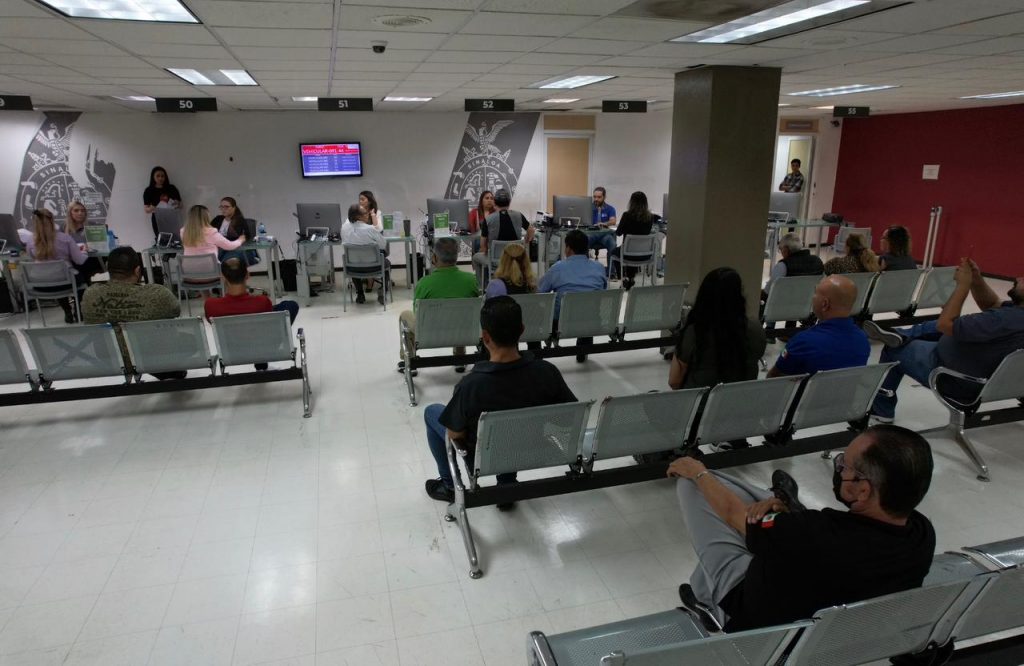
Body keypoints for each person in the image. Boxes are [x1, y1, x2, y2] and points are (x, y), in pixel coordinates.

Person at [668, 424, 935, 632]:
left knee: (696, 487)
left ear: (862, 490)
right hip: (826, 629)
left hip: (752, 616)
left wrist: (697, 470)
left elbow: (732, 514)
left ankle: (711, 603)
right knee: (759, 505)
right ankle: (781, 506)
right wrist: (784, 518)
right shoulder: (921, 535)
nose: (839, 469)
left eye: (843, 465)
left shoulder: (816, 533)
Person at [422, 296, 577, 505]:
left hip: (485, 458)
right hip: (529, 450)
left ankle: (449, 485)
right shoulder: (547, 372)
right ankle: (507, 484)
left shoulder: (471, 385)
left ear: (485, 336)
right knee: (513, 426)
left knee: (432, 411)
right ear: (522, 330)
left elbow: (454, 434)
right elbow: (569, 418)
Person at [865, 258, 1024, 422]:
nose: (1018, 278)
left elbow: (946, 324)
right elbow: (993, 304)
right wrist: (976, 280)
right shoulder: (1013, 316)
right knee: (937, 327)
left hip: (955, 378)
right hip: (984, 371)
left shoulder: (1001, 320)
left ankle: (882, 410)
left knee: (893, 348)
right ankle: (901, 334)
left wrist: (962, 286)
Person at [81, 246, 184, 380]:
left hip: (109, 356)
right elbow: (176, 310)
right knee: (186, 338)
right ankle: (166, 371)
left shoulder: (91, 294)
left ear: (107, 267)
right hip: (150, 356)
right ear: (137, 270)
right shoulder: (158, 294)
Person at [398, 237, 479, 374]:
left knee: (405, 315)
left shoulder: (424, 283)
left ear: (434, 258)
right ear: (456, 257)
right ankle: (460, 357)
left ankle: (410, 359)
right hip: (464, 331)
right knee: (460, 316)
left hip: (430, 334)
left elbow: (418, 314)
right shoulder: (471, 280)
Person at [205, 258, 300, 370]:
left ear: (223, 277)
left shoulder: (211, 305)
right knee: (290, 306)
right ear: (247, 275)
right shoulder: (262, 302)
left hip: (233, 350)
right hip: (262, 347)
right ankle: (261, 363)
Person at [767, 275, 869, 377]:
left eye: (815, 293)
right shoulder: (862, 339)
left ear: (825, 304)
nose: (812, 297)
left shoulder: (803, 341)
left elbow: (773, 378)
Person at [538, 229, 608, 362]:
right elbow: (603, 290)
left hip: (561, 323)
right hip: (592, 321)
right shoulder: (599, 268)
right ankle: (583, 349)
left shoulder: (557, 268)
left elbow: (540, 292)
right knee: (588, 307)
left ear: (568, 248)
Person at [26, 208, 88, 323]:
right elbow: (79, 260)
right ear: (52, 220)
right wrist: (84, 251)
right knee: (79, 276)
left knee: (56, 276)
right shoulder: (65, 238)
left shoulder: (30, 241)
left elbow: (32, 258)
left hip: (39, 285)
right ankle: (78, 311)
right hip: (65, 283)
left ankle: (67, 311)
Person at [472, 189, 534, 283]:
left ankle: (483, 286)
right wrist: (525, 241)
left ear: (495, 203)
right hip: (516, 258)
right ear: (509, 202)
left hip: (496, 261)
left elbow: (483, 246)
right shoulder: (519, 215)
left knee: (476, 258)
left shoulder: (488, 220)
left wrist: (486, 251)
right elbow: (531, 230)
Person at [609, 191, 660, 288]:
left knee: (614, 252)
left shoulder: (626, 215)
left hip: (627, 254)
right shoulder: (650, 217)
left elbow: (618, 233)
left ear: (631, 202)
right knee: (633, 251)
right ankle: (631, 278)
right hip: (645, 255)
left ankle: (623, 278)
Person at [341, 202, 389, 305]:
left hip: (352, 268)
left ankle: (360, 294)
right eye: (365, 213)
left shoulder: (344, 228)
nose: (368, 215)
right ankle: (383, 292)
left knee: (354, 260)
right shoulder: (370, 229)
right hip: (374, 267)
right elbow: (383, 244)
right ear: (358, 216)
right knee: (386, 262)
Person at [62, 201, 104, 284]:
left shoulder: (93, 225)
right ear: (70, 213)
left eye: (82, 210)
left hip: (91, 259)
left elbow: (102, 245)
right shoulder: (63, 227)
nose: (80, 213)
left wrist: (92, 246)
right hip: (72, 262)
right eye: (76, 210)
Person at [181, 204, 245, 257]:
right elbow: (230, 246)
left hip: (188, 267)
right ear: (206, 217)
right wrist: (240, 240)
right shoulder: (211, 232)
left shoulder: (183, 232)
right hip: (209, 267)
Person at [210, 197, 258, 265]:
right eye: (221, 207)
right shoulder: (218, 219)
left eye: (226, 207)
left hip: (233, 248)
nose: (223, 209)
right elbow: (208, 232)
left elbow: (247, 236)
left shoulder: (240, 221)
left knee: (228, 261)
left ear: (234, 208)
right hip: (218, 247)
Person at [143, 166, 181, 237]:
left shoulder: (171, 188)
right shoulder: (149, 190)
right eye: (158, 176)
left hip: (171, 218)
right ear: (153, 177)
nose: (160, 178)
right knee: (160, 239)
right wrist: (152, 208)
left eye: (162, 176)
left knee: (174, 238)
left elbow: (180, 205)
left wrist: (177, 204)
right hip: (158, 219)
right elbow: (146, 210)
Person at [588, 186, 617, 258]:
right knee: (582, 243)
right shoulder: (588, 208)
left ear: (604, 197)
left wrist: (604, 224)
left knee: (612, 244)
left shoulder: (610, 208)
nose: (596, 199)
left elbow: (613, 221)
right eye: (594, 197)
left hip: (604, 234)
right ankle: (584, 264)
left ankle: (611, 266)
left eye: (599, 197)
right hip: (591, 234)